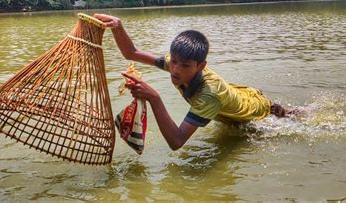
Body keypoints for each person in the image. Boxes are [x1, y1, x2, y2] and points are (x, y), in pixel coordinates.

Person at [94, 13, 289, 150]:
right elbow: (131, 53)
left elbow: (176, 142)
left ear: (201, 66)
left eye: (185, 66)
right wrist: (118, 26)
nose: (175, 70)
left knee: (296, 119)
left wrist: (154, 97)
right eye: (174, 62)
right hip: (239, 98)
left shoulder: (208, 96)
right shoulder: (175, 63)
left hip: (258, 112)